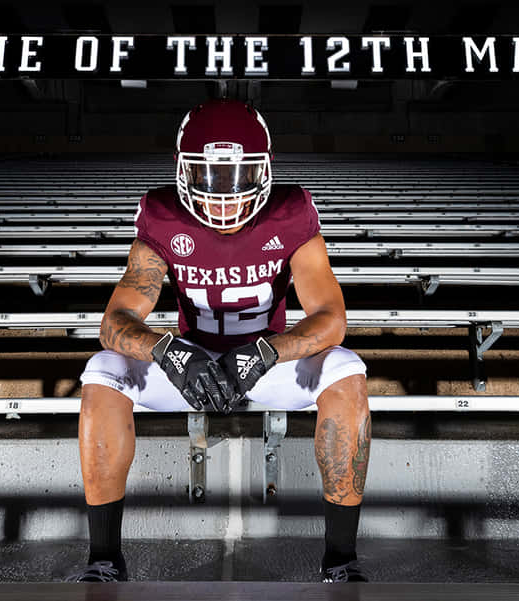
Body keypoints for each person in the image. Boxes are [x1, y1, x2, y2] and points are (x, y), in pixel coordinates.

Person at [73, 98, 371, 583]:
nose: (225, 197)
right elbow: (116, 321)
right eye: (210, 179)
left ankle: (341, 559)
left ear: (266, 171)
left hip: (267, 359)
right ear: (182, 172)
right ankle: (104, 560)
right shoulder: (163, 216)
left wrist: (270, 349)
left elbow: (330, 318)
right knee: (102, 371)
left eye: (239, 179)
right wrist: (167, 351)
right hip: (193, 361)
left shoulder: (290, 213)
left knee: (347, 371)